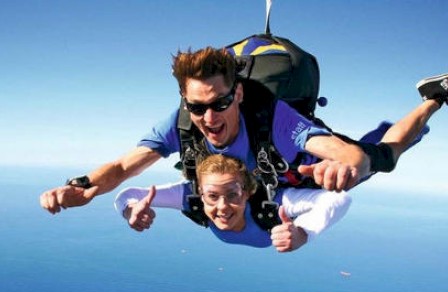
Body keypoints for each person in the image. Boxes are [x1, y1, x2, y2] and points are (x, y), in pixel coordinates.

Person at [39, 45, 447, 214]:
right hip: (260, 176)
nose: (209, 118)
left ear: (236, 95)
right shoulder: (180, 123)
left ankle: (433, 98)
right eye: (197, 107)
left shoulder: (276, 117)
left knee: (385, 154)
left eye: (219, 103)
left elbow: (348, 156)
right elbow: (124, 166)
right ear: (185, 102)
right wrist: (83, 186)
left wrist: (346, 167)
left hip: (300, 165)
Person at [114, 154, 352, 252]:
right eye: (212, 196)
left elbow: (340, 197)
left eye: (232, 195)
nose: (222, 207)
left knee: (363, 163)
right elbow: (127, 195)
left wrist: (302, 233)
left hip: (315, 168)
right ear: (201, 192)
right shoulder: (191, 197)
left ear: (248, 192)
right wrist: (130, 211)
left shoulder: (271, 203)